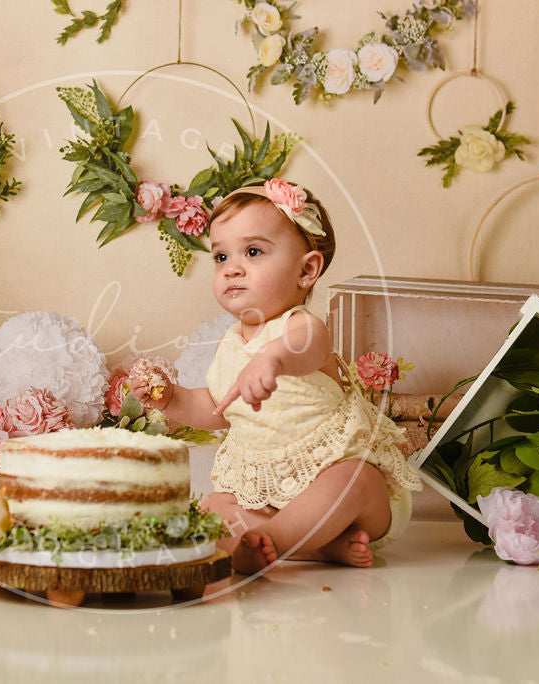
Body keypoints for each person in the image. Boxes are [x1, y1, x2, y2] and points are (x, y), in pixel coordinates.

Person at [131, 179, 422, 575]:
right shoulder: (229, 346)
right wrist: (171, 399)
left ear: (306, 270)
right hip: (267, 495)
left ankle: (278, 540)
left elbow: (307, 350)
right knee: (214, 508)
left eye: (252, 252)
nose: (232, 268)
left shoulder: (301, 327)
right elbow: (216, 410)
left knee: (356, 478)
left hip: (352, 501)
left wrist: (272, 359)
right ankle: (316, 547)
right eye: (220, 257)